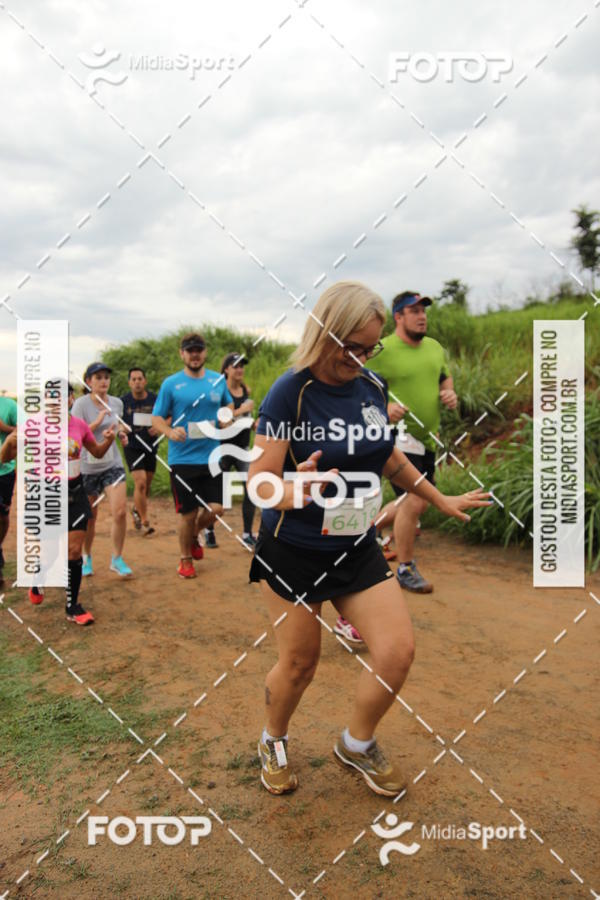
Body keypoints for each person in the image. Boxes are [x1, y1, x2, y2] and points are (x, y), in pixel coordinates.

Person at [247, 281, 489, 796]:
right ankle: (273, 739)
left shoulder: (372, 386)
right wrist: (294, 489)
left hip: (354, 546)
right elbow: (259, 481)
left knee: (397, 651)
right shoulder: (291, 390)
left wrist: (438, 499)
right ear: (323, 332)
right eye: (349, 347)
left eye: (368, 348)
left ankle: (355, 744)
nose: (357, 359)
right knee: (299, 663)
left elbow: (387, 457)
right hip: (293, 550)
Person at [0, 385, 116, 623]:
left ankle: (73, 606)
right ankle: (39, 577)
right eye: (51, 398)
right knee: (51, 553)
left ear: (70, 399)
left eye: (62, 397)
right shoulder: (32, 427)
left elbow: (95, 451)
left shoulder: (79, 426)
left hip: (75, 492)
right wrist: (10, 441)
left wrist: (108, 440)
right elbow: (5, 459)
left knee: (74, 551)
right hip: (46, 496)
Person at [367, 290, 458, 594]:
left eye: (424, 311)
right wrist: (382, 409)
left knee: (420, 500)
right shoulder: (382, 349)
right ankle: (405, 568)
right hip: (396, 437)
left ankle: (369, 529)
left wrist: (449, 393)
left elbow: (443, 376)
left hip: (426, 438)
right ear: (398, 317)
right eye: (414, 311)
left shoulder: (433, 347)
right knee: (417, 499)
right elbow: (358, 387)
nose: (422, 316)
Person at [152, 333, 233, 578]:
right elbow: (157, 417)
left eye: (198, 349)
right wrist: (168, 431)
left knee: (218, 508)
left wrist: (226, 418)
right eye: (190, 350)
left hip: (212, 457)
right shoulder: (171, 384)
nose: (194, 354)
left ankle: (193, 536)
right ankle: (185, 559)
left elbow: (228, 405)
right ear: (182, 354)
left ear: (205, 353)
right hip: (182, 459)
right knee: (187, 514)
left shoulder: (217, 380)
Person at [72, 363, 133, 578]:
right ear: (88, 381)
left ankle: (117, 558)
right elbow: (74, 434)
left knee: (120, 511)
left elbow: (120, 425)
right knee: (90, 517)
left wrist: (122, 433)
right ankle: (87, 557)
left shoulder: (116, 402)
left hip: (112, 465)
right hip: (88, 467)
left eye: (106, 377)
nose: (103, 381)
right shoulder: (80, 405)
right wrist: (97, 422)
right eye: (98, 377)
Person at [205, 352, 257, 549]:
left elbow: (246, 419)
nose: (240, 369)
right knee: (218, 496)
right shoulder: (218, 392)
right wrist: (241, 410)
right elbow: (220, 421)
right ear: (226, 369)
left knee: (251, 489)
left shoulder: (245, 391)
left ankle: (247, 534)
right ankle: (209, 530)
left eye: (242, 365)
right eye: (235, 366)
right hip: (221, 448)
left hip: (242, 448)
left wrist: (255, 425)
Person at [120, 367, 158, 536]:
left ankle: (136, 509)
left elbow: (168, 416)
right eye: (133, 379)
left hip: (150, 445)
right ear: (129, 383)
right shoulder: (123, 402)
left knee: (146, 486)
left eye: (140, 379)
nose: (137, 382)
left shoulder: (155, 399)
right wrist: (122, 429)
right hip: (132, 446)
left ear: (145, 381)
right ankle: (144, 522)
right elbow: (116, 423)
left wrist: (158, 426)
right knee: (140, 482)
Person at [0, 394, 17, 589]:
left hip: (4, 471)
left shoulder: (9, 406)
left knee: (2, 518)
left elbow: (26, 431)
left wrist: (5, 428)